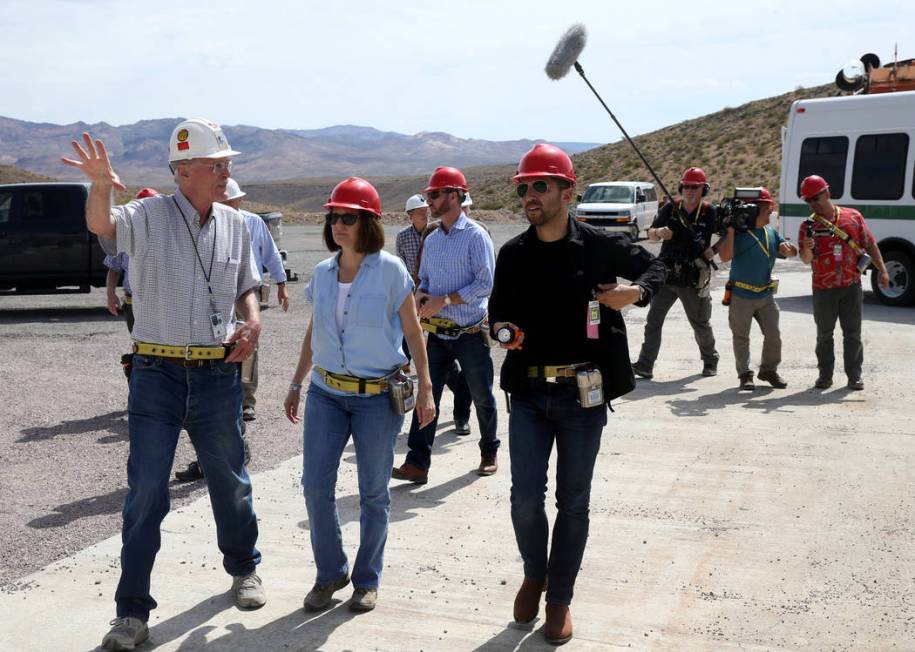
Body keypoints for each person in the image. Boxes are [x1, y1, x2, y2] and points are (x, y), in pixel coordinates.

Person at [62, 119, 266, 651]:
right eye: (215, 165)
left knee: (230, 481)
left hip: (217, 373)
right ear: (183, 171)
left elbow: (247, 283)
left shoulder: (235, 224)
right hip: (155, 374)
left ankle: (244, 567)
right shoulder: (147, 216)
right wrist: (102, 183)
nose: (226, 173)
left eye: (227, 164)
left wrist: (253, 318)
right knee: (146, 492)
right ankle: (130, 614)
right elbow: (100, 223)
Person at [489, 144, 666, 644]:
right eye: (524, 187)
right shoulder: (514, 254)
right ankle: (534, 573)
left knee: (573, 502)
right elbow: (496, 313)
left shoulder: (598, 245)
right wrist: (501, 330)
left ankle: (559, 597)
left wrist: (638, 293)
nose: (529, 195)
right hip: (527, 393)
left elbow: (658, 268)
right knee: (525, 499)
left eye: (539, 186)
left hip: (582, 396)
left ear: (567, 191)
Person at [284, 177, 434, 613]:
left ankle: (367, 580)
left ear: (368, 222)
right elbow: (316, 330)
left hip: (376, 399)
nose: (338, 225)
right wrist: (297, 382)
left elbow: (413, 331)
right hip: (326, 394)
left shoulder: (390, 271)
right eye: (334, 217)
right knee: (315, 486)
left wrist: (425, 388)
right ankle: (330, 572)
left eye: (348, 218)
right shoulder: (322, 273)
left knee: (373, 492)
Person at [173, 177, 289, 481]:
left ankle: (234, 447)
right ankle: (214, 457)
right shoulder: (200, 224)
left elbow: (269, 256)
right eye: (226, 203)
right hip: (207, 320)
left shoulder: (248, 224)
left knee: (235, 382)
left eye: (233, 203)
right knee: (209, 394)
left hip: (239, 313)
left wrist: (280, 284)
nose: (230, 207)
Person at [391, 167, 498, 484]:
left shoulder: (476, 236)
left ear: (454, 195)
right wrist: (423, 294)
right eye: (428, 195)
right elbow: (424, 280)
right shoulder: (433, 239)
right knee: (427, 393)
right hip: (437, 333)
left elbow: (485, 284)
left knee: (481, 395)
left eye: (435, 195)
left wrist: (445, 300)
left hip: (469, 333)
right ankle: (417, 464)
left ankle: (489, 450)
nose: (429, 200)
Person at [797, 175, 890, 390]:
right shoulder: (807, 225)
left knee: (852, 334)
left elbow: (871, 245)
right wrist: (808, 248)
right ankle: (825, 375)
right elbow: (805, 260)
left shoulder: (853, 217)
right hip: (823, 289)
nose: (812, 204)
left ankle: (854, 376)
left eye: (815, 198)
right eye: (807, 200)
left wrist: (882, 271)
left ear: (827, 194)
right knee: (824, 335)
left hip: (851, 286)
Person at [632, 166, 720, 379]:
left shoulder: (710, 212)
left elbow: (728, 234)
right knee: (653, 320)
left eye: (695, 187)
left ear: (703, 189)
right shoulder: (671, 208)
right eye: (686, 186)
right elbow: (650, 233)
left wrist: (713, 251)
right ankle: (645, 364)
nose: (689, 191)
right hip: (666, 274)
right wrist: (658, 232)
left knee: (699, 322)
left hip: (692, 278)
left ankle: (710, 359)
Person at [717, 187, 798, 390]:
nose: (771, 211)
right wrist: (730, 231)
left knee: (773, 334)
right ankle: (745, 374)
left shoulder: (770, 232)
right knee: (741, 337)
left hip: (765, 295)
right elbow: (725, 257)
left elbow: (789, 251)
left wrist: (788, 249)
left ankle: (768, 370)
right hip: (741, 295)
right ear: (755, 208)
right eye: (768, 207)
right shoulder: (739, 233)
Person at [105, 188, 158, 380]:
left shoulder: (166, 236)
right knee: (140, 347)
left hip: (158, 301)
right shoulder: (125, 236)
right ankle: (137, 388)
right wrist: (110, 293)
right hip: (133, 303)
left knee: (160, 348)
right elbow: (114, 268)